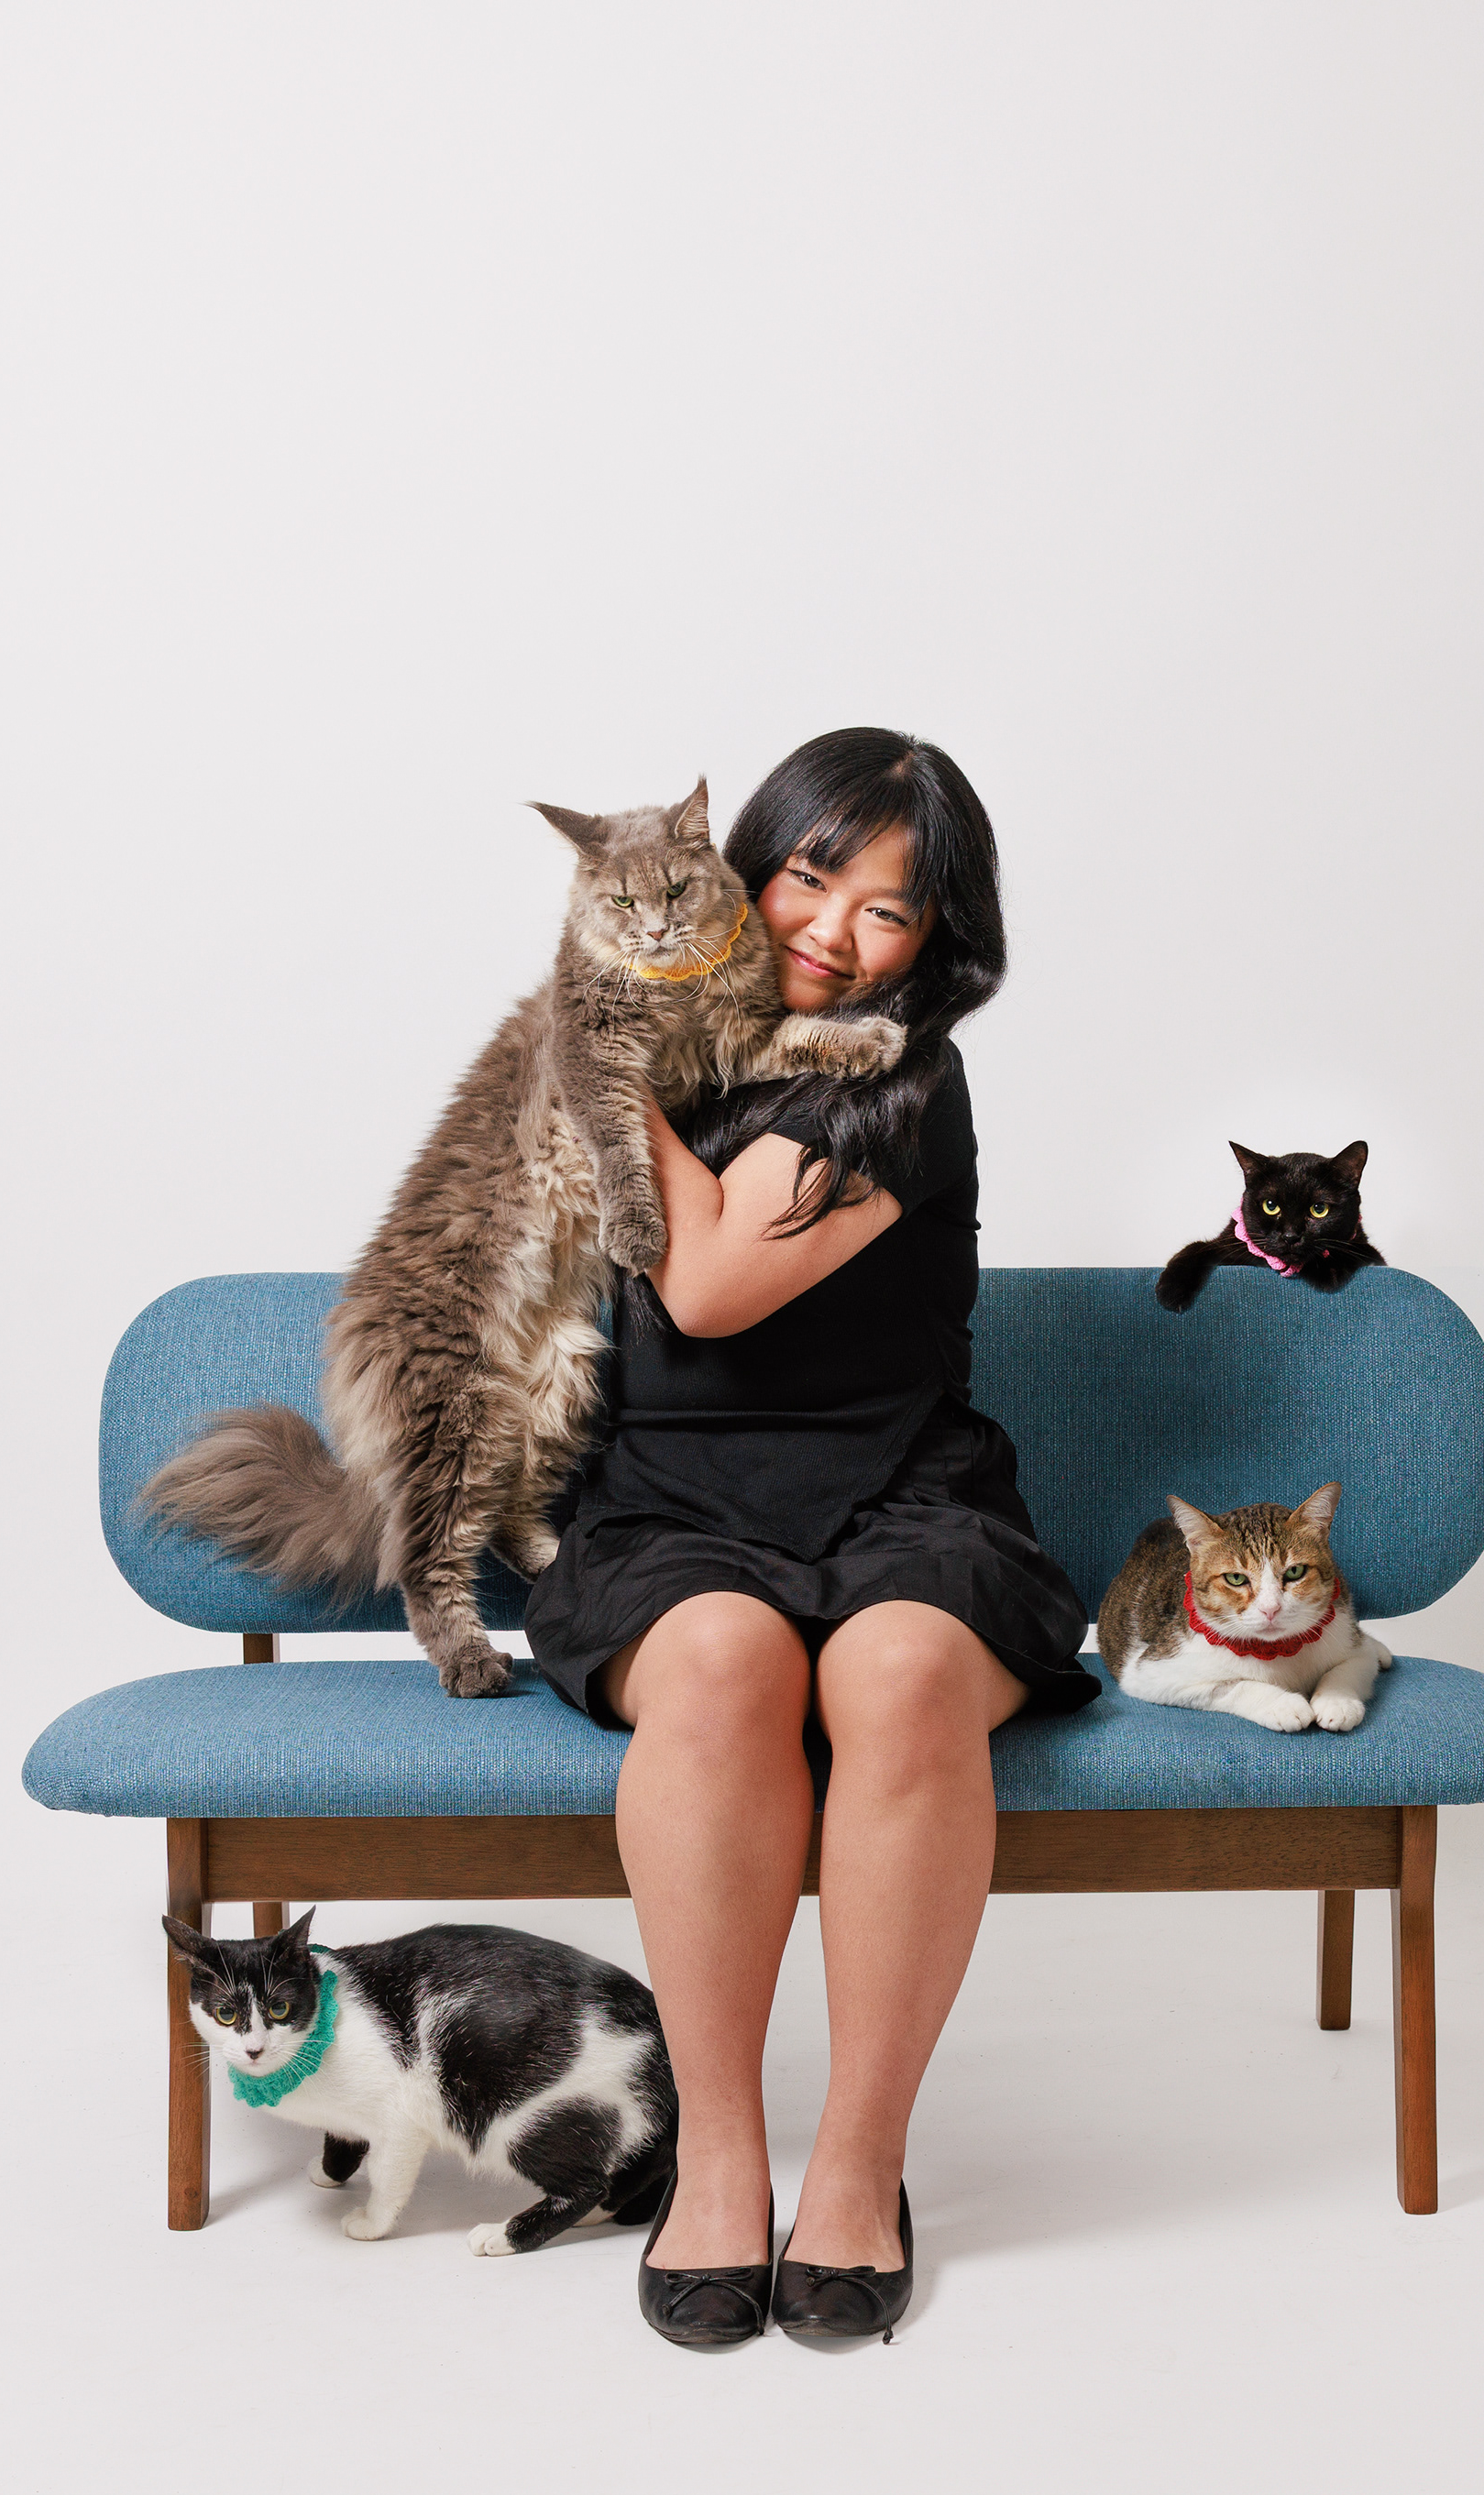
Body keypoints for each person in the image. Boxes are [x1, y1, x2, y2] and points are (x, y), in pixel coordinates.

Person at [525, 728, 1096, 2346]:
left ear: (935, 945)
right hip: (669, 1506)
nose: (836, 932)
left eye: (888, 911)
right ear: (746, 869)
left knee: (900, 1673)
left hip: (905, 1493)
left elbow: (708, 1285)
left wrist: (591, 1049)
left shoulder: (901, 1082)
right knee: (721, 1661)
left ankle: (858, 2165)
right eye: (809, 877)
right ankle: (718, 2158)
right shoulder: (694, 1040)